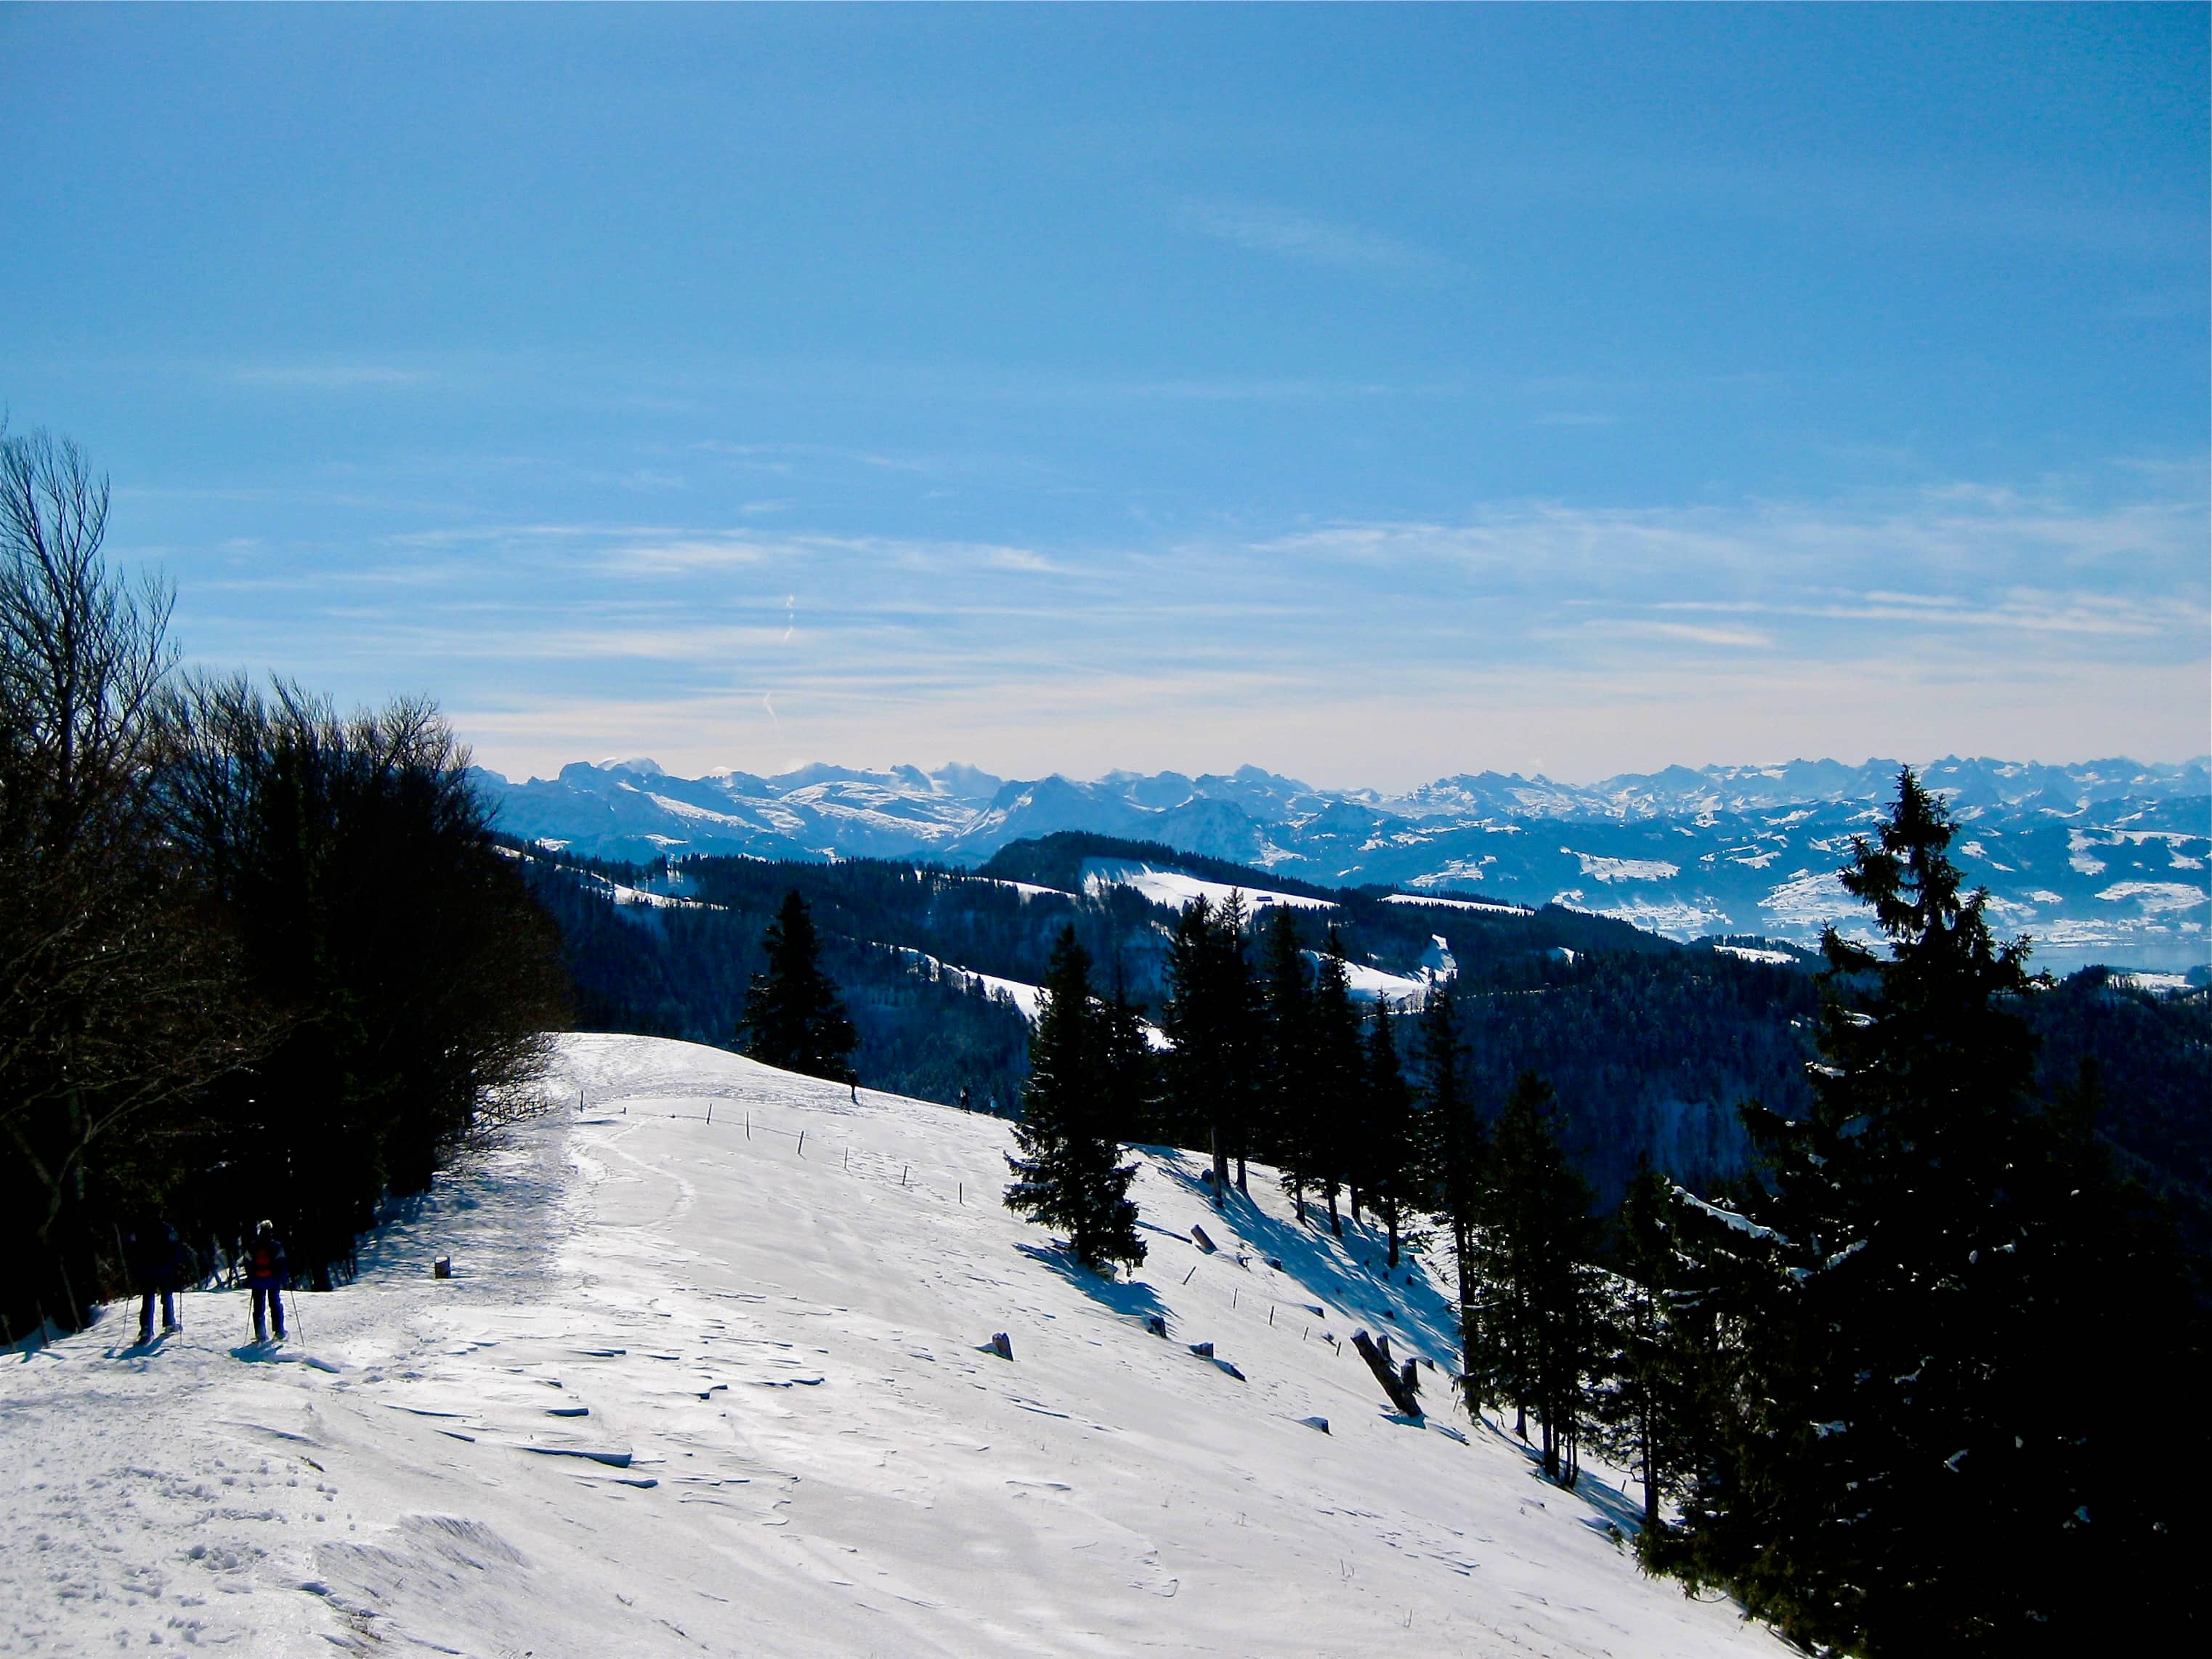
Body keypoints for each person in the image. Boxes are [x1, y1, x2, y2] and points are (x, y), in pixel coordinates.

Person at [129, 1221, 185, 1344]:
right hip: (164, 1268)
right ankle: (169, 1323)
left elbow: (132, 1245)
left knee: (148, 1298)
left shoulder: (140, 1229)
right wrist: (178, 1262)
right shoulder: (167, 1228)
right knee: (166, 1295)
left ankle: (146, 1328)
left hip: (146, 1269)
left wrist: (134, 1263)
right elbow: (175, 1245)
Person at [246, 1220, 288, 1343]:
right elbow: (282, 1262)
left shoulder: (253, 1245)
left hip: (257, 1280)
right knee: (275, 1304)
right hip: (273, 1280)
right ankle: (279, 1331)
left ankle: (260, 1333)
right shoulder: (276, 1245)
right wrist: (282, 1277)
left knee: (258, 1306)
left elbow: (247, 1261)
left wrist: (251, 1276)